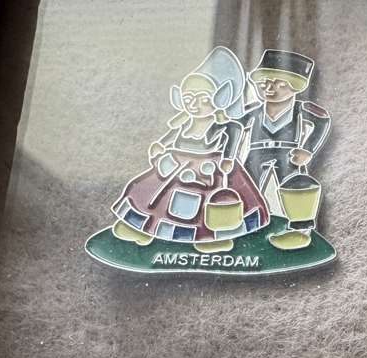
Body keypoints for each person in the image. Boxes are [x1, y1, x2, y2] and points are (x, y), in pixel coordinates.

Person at [111, 47, 269, 253]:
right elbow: (166, 141)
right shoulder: (182, 125)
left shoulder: (227, 126)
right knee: (148, 194)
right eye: (188, 99)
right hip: (175, 167)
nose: (195, 105)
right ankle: (141, 228)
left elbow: (234, 139)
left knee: (211, 206)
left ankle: (214, 238)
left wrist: (229, 159)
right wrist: (159, 147)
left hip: (211, 171)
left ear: (220, 99)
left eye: (203, 99)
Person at [241, 50, 331, 250]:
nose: (270, 89)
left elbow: (323, 121)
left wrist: (308, 149)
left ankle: (300, 231)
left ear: (295, 86)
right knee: (245, 186)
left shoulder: (303, 109)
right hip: (256, 152)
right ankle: (245, 225)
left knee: (298, 186)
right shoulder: (252, 111)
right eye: (263, 84)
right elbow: (232, 123)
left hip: (288, 154)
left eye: (280, 85)